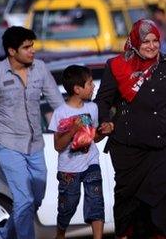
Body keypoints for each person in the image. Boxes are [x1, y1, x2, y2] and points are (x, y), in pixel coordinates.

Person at [95, 19, 166, 238]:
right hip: (128, 147)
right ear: (135, 41)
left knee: (163, 199)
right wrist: (105, 120)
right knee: (129, 200)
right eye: (146, 41)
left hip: (162, 143)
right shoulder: (116, 66)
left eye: (155, 41)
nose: (152, 46)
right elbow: (103, 101)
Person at [0, 26, 64, 239]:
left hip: (36, 145)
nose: (32, 51)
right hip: (8, 145)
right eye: (26, 47)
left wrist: (77, 126)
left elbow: (58, 104)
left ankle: (4, 234)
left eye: (32, 46)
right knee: (24, 199)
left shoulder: (41, 68)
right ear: (11, 51)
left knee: (35, 199)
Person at [48, 65, 114, 239]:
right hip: (69, 169)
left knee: (96, 200)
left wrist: (104, 131)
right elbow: (58, 146)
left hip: (91, 162)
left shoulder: (92, 108)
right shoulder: (60, 113)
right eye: (90, 84)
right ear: (77, 89)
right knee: (68, 204)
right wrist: (72, 130)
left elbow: (94, 137)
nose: (94, 87)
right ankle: (60, 233)